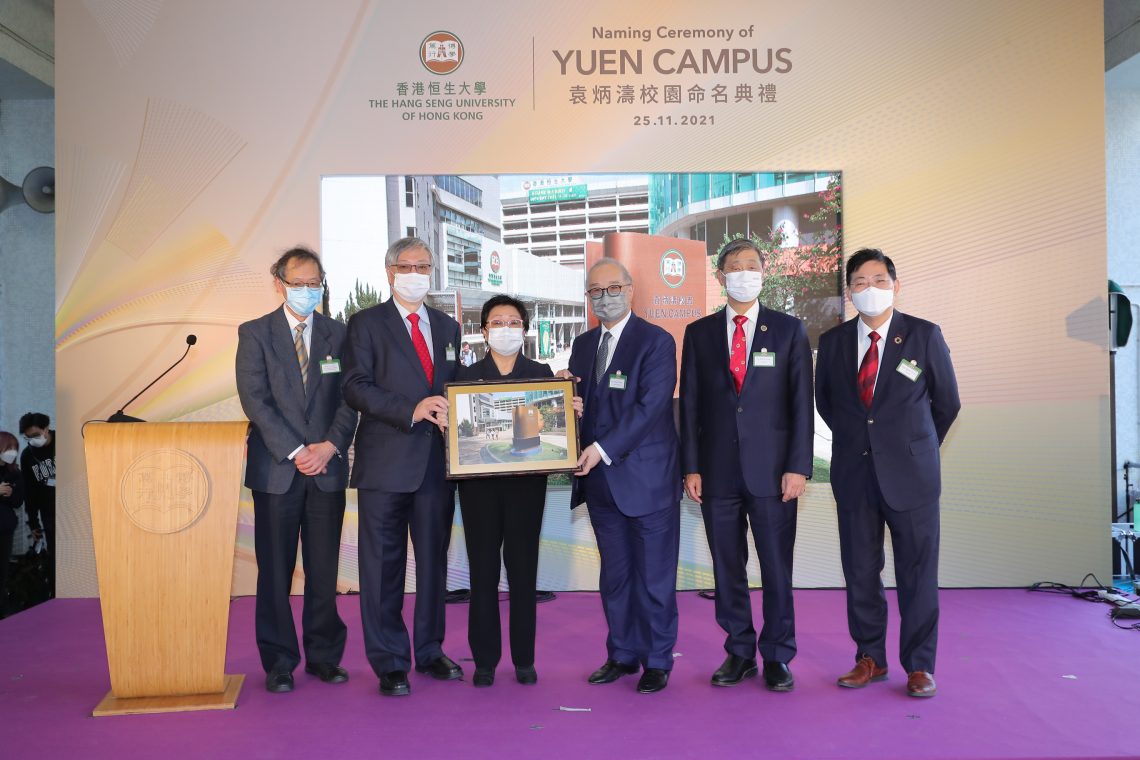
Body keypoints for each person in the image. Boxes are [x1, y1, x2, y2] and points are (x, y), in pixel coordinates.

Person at [815, 248, 960, 698]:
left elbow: (947, 402)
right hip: (854, 475)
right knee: (860, 570)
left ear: (896, 286)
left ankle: (919, 665)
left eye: (879, 280)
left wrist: (915, 448)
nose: (870, 289)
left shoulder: (923, 335)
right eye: (860, 281)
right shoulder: (835, 341)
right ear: (849, 292)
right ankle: (870, 658)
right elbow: (827, 403)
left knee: (917, 572)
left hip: (912, 477)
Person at [679, 238, 814, 692]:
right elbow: (690, 406)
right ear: (720, 278)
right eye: (733, 267)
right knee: (727, 569)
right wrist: (691, 467)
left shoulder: (789, 330)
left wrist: (798, 466)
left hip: (774, 474)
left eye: (751, 265)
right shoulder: (698, 333)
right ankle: (739, 651)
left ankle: (778, 654)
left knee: (776, 568)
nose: (742, 273)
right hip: (716, 473)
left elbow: (801, 404)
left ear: (763, 272)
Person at [342, 237, 463, 697]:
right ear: (390, 271)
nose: (416, 274)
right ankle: (390, 661)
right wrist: (412, 409)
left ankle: (429, 650)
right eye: (407, 266)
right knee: (382, 568)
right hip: (385, 465)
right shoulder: (365, 324)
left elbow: (459, 389)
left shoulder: (448, 327)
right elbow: (355, 386)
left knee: (434, 565)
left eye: (424, 266)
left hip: (435, 466)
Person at [235, 246, 359, 694]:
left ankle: (325, 656)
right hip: (277, 471)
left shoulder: (339, 334)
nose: (307, 291)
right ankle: (279, 661)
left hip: (326, 468)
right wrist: (294, 450)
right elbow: (255, 400)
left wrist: (328, 447)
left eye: (315, 283)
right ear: (278, 283)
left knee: (324, 571)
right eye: (298, 283)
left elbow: (350, 398)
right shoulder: (255, 333)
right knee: (275, 572)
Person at [566, 257, 682, 694]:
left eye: (613, 288)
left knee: (654, 578)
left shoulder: (656, 342)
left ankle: (657, 659)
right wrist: (568, 408)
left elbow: (649, 409)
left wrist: (600, 449)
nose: (605, 297)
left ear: (631, 290)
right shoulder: (581, 345)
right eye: (596, 290)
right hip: (600, 484)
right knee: (614, 576)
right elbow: (583, 406)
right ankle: (622, 653)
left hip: (647, 480)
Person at [455, 294, 574, 687]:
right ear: (484, 331)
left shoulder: (543, 373)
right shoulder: (466, 379)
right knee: (483, 573)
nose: (505, 329)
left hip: (526, 489)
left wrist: (571, 411)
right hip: (479, 492)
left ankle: (524, 659)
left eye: (512, 322)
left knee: (523, 572)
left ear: (523, 329)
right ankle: (485, 661)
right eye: (497, 322)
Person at [19, 413, 54, 566]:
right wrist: (33, 523)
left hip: (74, 506)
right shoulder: (27, 455)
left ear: (46, 429)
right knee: (56, 556)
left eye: (36, 435)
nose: (32, 440)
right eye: (28, 438)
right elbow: (29, 491)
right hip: (49, 512)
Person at [0, 432, 23, 617]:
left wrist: (10, 494)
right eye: (9, 448)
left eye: (15, 449)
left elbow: (17, 502)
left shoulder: (15, 473)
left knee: (2, 572)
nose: (12, 453)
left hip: (5, 530)